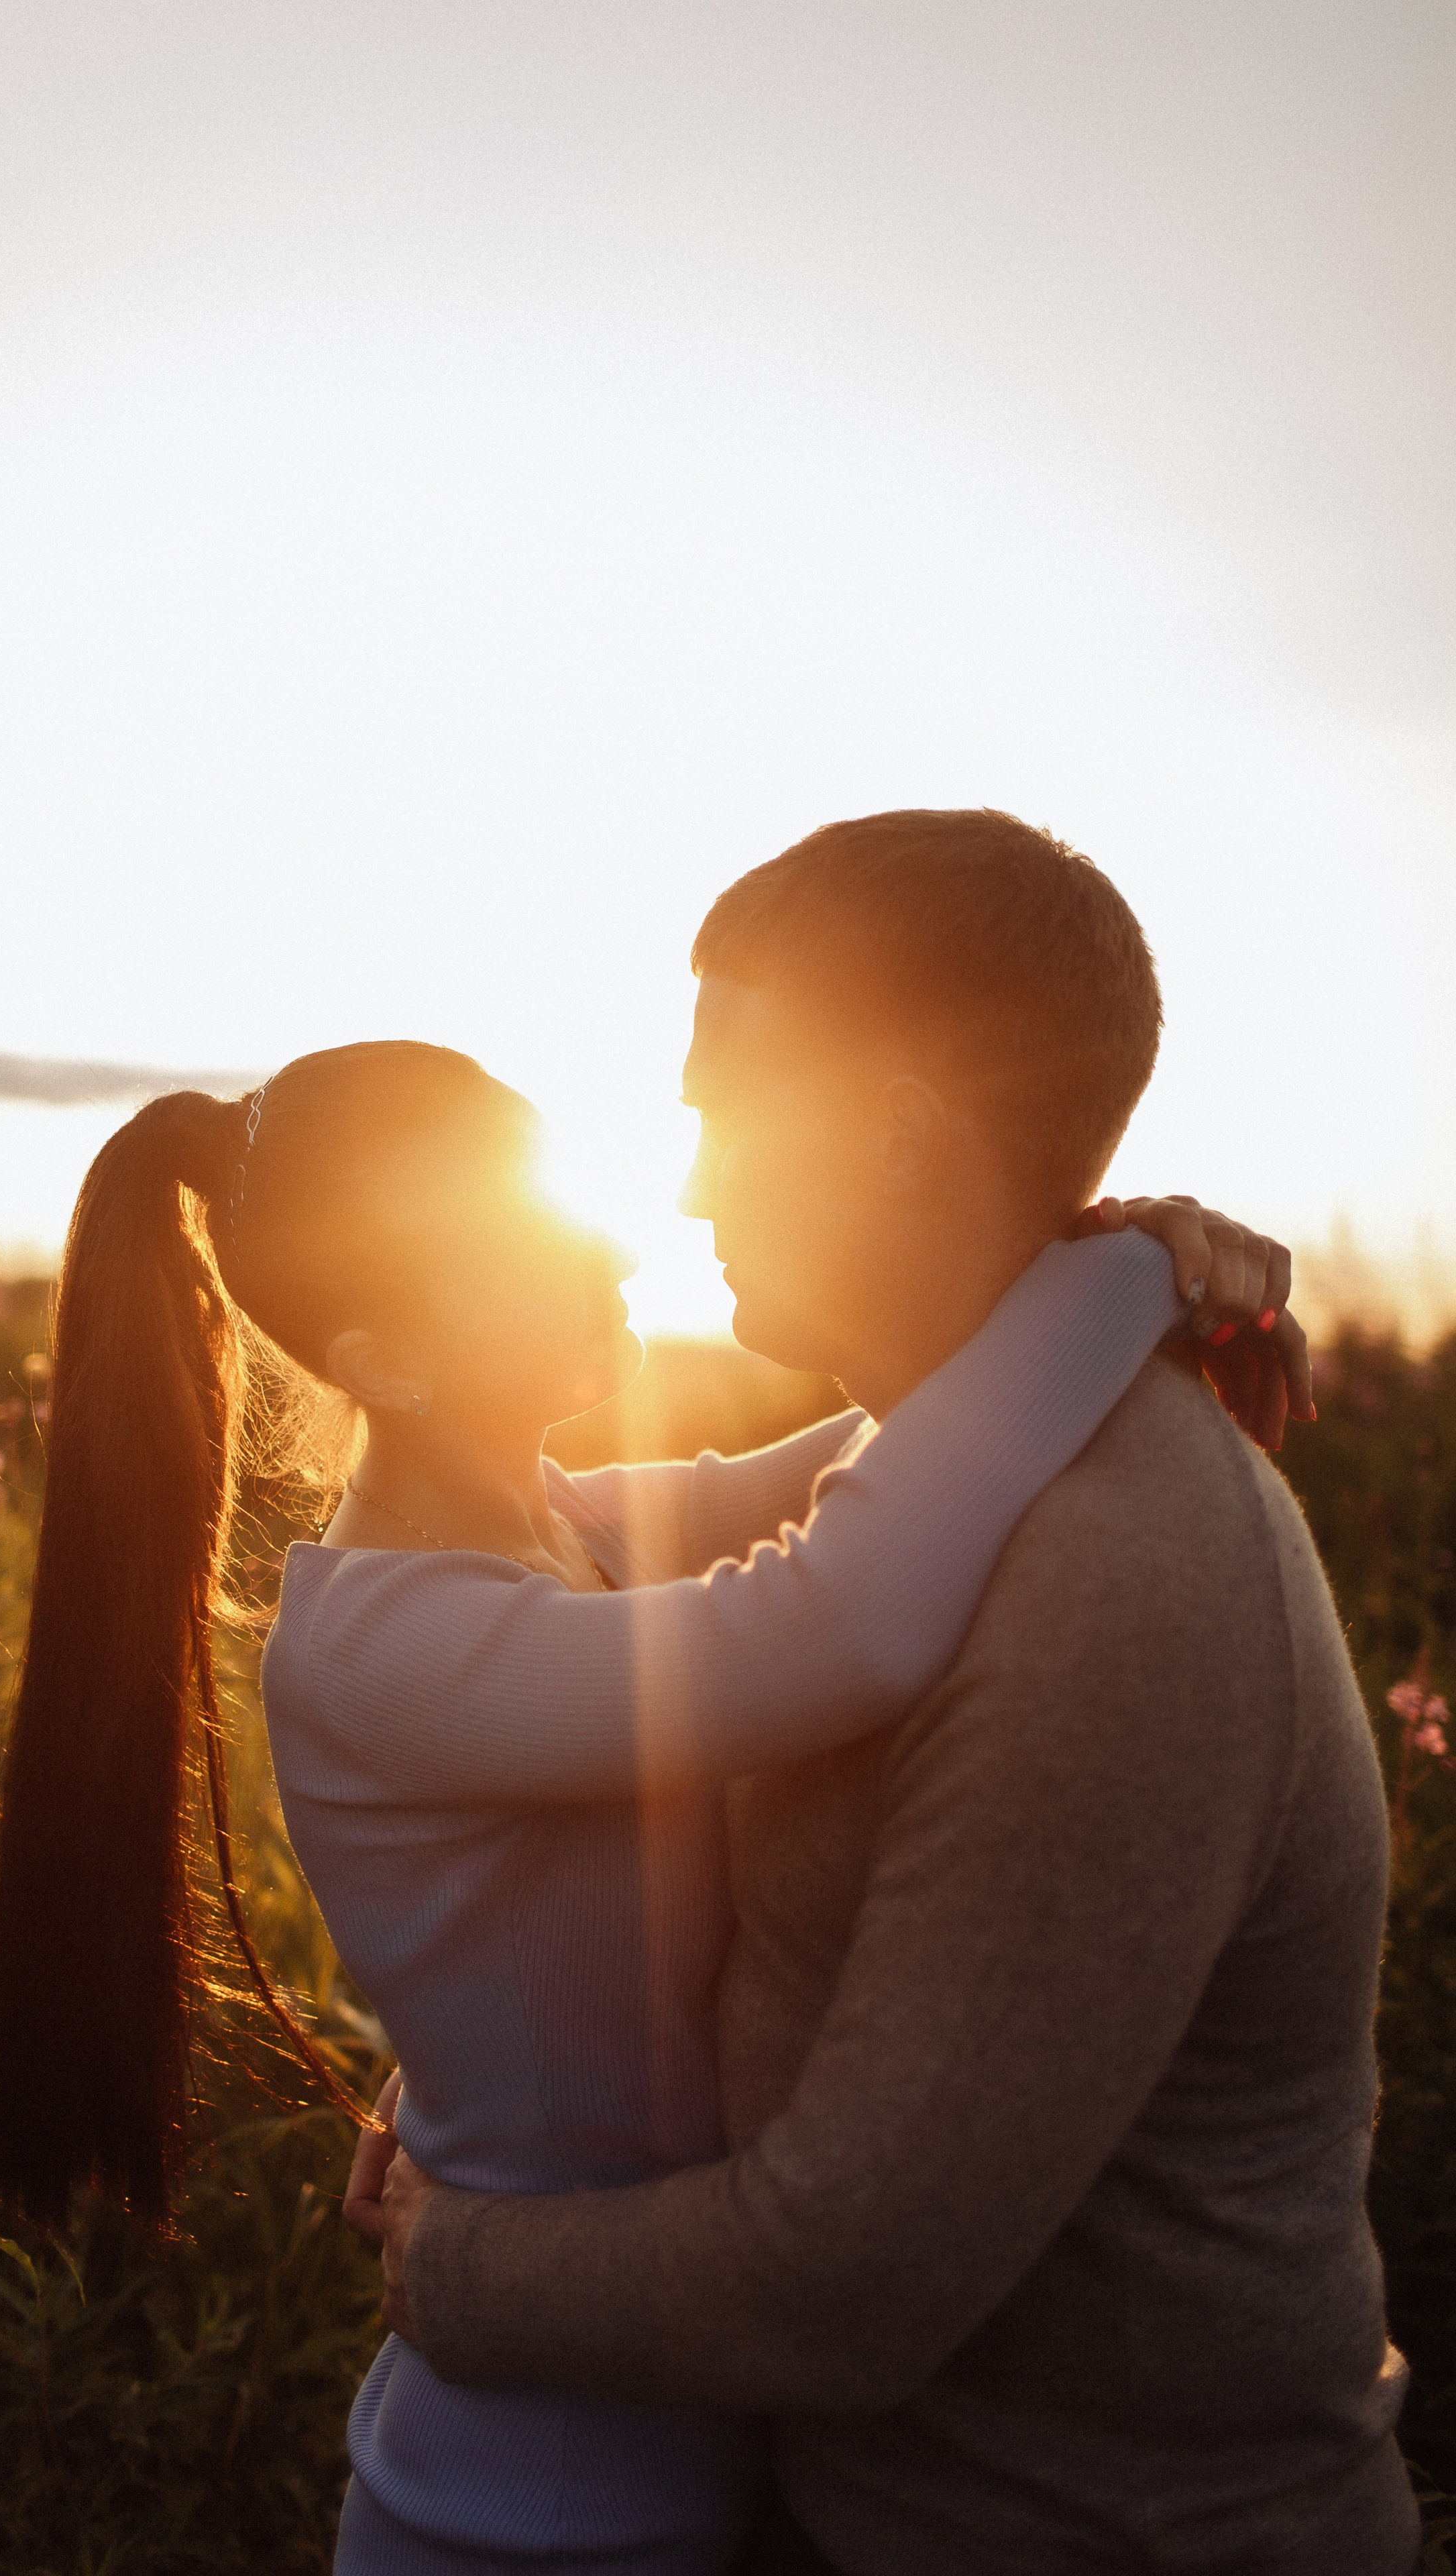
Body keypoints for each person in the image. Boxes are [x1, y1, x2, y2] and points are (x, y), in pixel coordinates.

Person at [361, 811, 1420, 2576]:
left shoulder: (1117, 1568)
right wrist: (477, 2097)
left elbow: (841, 2286)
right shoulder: (918, 1465)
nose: (687, 1183)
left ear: (905, 1141)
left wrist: (444, 2256)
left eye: (725, 1116)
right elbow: (518, 1566)